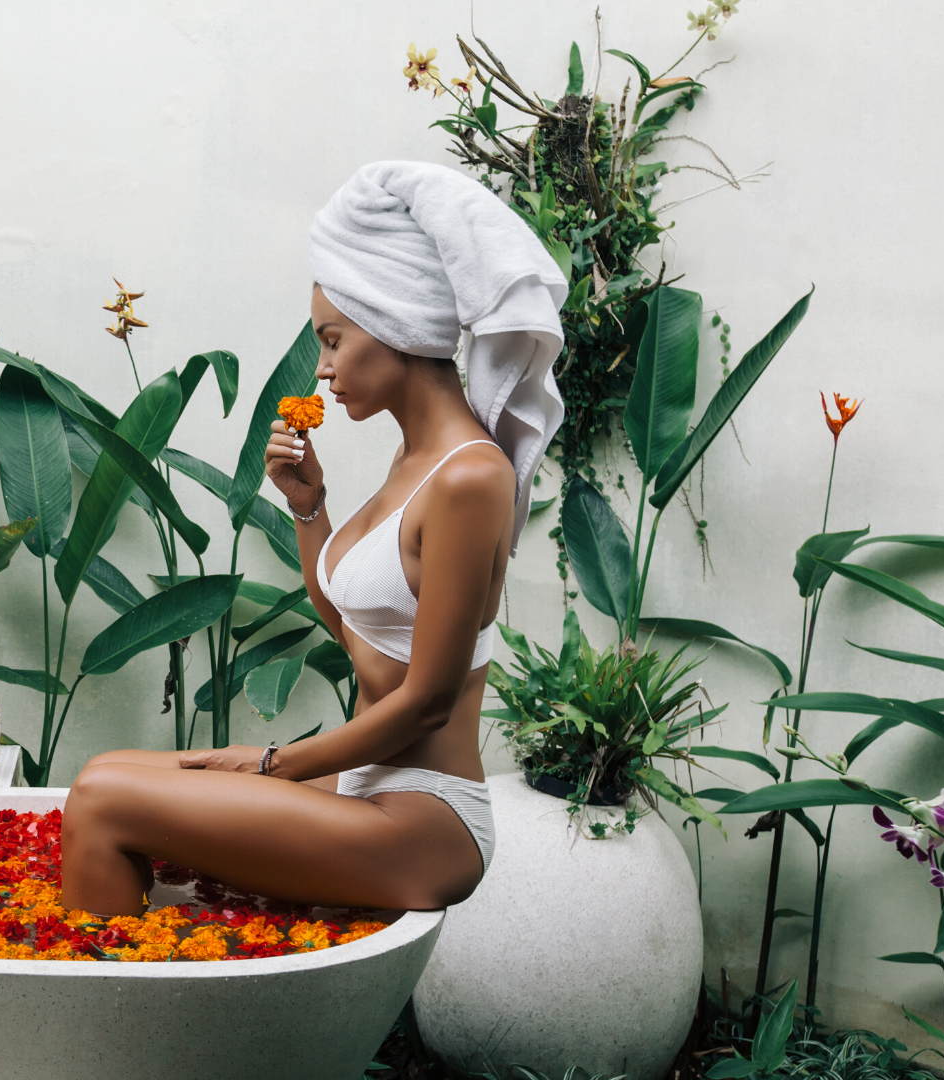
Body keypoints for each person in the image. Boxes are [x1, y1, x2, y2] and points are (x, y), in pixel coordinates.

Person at [59, 161, 569, 917]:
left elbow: (427, 702)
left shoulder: (469, 479)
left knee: (103, 800)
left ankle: (114, 1024)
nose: (324, 370)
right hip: (367, 785)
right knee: (103, 769)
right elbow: (360, 635)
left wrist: (272, 764)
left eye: (333, 341)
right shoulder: (413, 462)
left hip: (424, 818)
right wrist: (310, 510)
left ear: (394, 324)